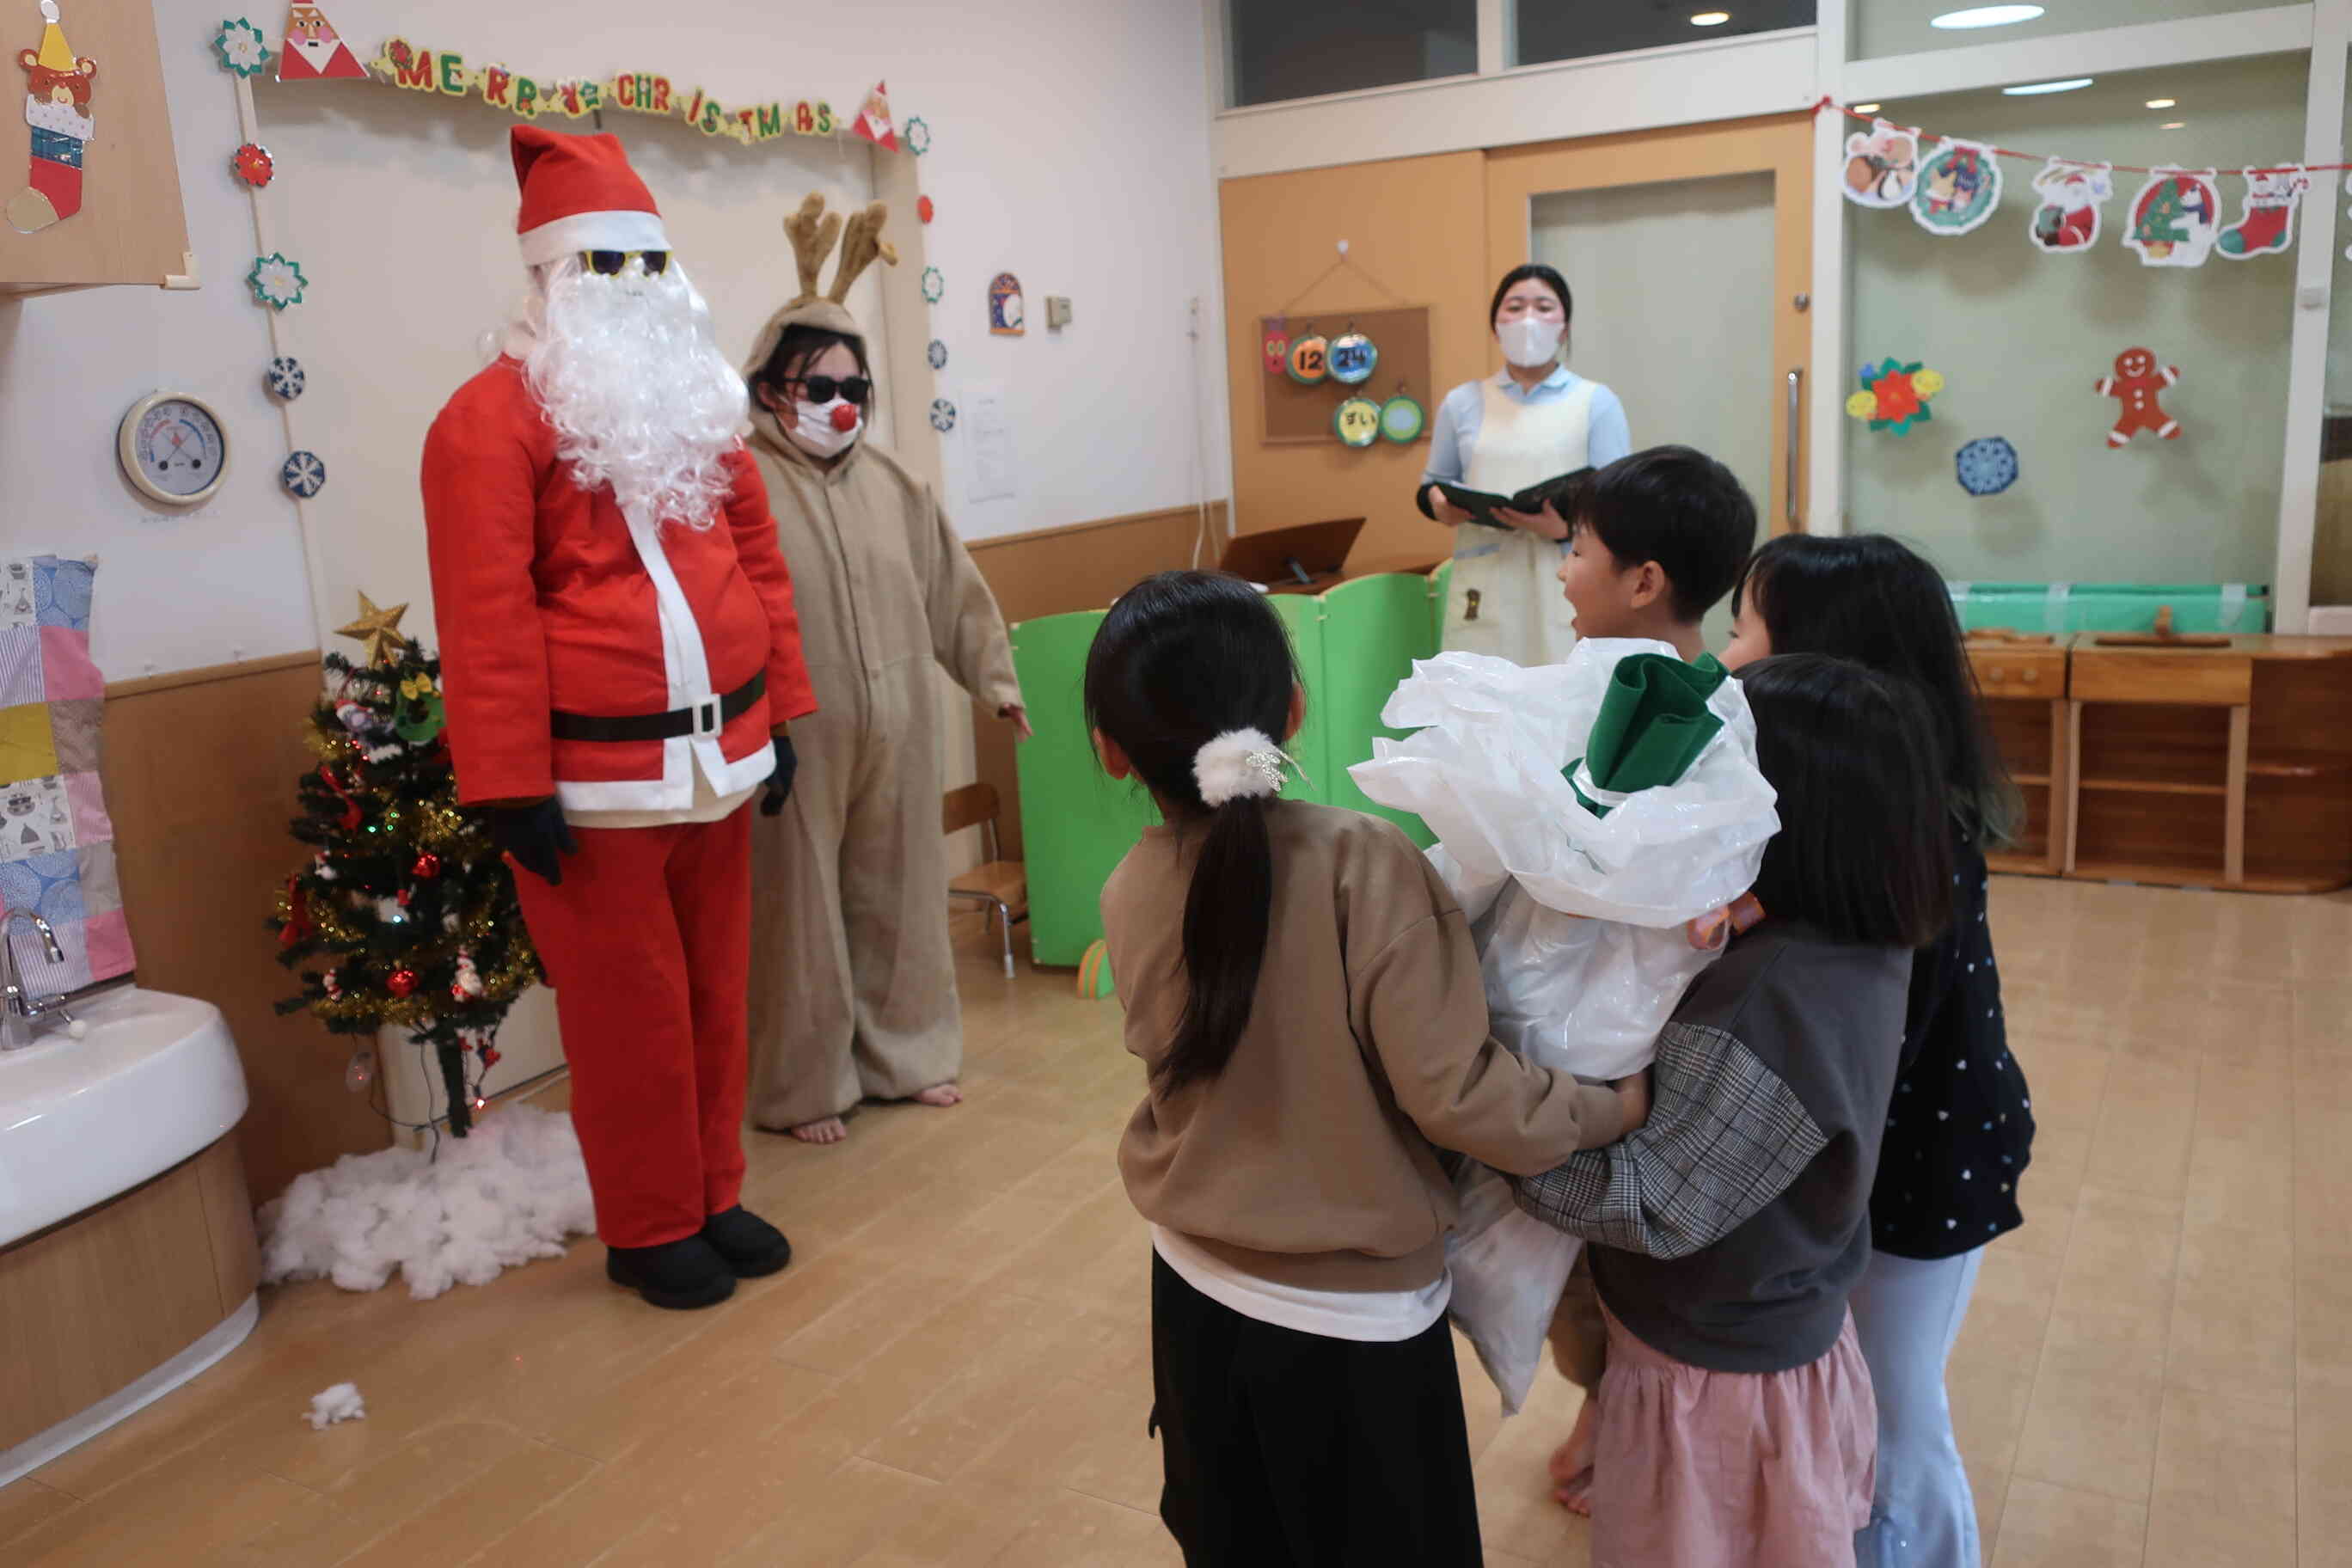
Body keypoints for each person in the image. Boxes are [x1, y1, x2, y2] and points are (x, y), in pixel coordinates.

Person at [1090, 571, 1650, 1566]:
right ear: (1293, 709)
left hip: (1192, 1288)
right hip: (1353, 1324)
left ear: (1108, 749)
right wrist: (1605, 1107)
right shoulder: (1365, 860)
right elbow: (1460, 1095)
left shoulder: (1131, 884)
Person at [422, 127, 816, 1311]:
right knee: (626, 1018)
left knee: (714, 995)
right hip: (590, 787)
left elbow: (758, 563)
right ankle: (649, 1226)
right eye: (607, 265)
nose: (635, 291)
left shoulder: (700, 406)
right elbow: (485, 612)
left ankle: (713, 1192)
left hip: (722, 756)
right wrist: (504, 778)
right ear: (549, 272)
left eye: (651, 265)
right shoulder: (485, 425)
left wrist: (781, 710)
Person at [1516, 652, 1957, 1568]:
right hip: (1771, 1338)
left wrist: (1482, 1131)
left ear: (1786, 809)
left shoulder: (1774, 1003)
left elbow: (1649, 1204)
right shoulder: (1859, 939)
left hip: (1714, 1379)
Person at [1725, 534, 2033, 1568]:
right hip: (1870, 1171)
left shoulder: (1912, 844)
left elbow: (1856, 1037)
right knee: (1858, 1406)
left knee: (1897, 1422)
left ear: (1820, 666)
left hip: (1926, 1174)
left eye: (1745, 630)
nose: (1727, 657)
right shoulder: (1849, 819)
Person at [740, 194, 1027, 1145]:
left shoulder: (895, 483)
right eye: (816, 385)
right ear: (771, 387)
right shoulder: (739, 481)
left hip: (896, 721)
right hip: (790, 734)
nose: (837, 405)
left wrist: (995, 677)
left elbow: (955, 588)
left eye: (852, 388)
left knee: (900, 895)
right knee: (800, 917)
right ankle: (806, 1085)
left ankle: (907, 1057)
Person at [1418, 263, 1632, 665]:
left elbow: (1621, 503)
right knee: (1481, 702)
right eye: (1514, 307)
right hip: (1486, 573)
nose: (1528, 319)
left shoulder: (1595, 403)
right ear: (1495, 326)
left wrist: (1565, 527)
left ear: (1565, 327)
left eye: (1544, 307)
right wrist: (1439, 505)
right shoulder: (1462, 402)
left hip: (1566, 570)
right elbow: (1432, 484)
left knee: (1566, 698)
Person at [1553, 445, 1755, 662]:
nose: (1562, 572)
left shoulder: (1660, 696)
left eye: (1576, 552)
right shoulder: (1710, 691)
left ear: (1644, 584)